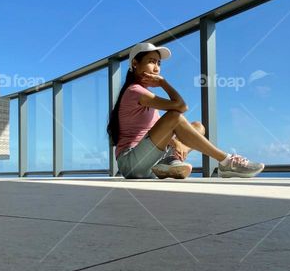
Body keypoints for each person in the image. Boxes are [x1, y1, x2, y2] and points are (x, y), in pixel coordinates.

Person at [106, 42, 265, 179]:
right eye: (152, 61)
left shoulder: (144, 94)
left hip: (149, 159)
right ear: (135, 63)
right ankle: (226, 162)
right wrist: (163, 84)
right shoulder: (135, 91)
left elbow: (159, 129)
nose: (156, 68)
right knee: (174, 116)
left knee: (198, 126)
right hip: (131, 163)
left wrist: (176, 143)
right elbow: (181, 107)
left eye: (159, 63)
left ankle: (170, 161)